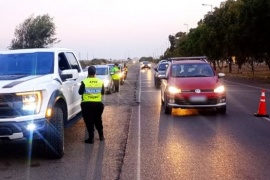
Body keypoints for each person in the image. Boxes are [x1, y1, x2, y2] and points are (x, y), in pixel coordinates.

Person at [78, 66, 105, 144]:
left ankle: (91, 138)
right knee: (98, 120)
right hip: (98, 104)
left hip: (87, 105)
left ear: (88, 73)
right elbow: (102, 92)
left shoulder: (84, 82)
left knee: (89, 121)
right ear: (95, 72)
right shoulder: (100, 81)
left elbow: (80, 92)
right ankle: (101, 136)